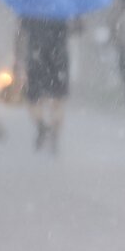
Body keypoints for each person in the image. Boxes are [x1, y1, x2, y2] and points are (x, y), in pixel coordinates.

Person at [16, 15, 74, 154]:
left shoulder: (31, 10)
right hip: (59, 59)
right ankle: (54, 133)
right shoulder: (62, 9)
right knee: (58, 100)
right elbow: (76, 28)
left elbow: (20, 34)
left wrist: (18, 58)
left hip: (36, 58)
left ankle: (41, 126)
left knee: (33, 99)